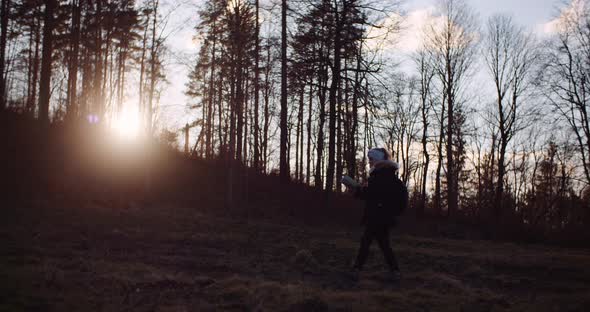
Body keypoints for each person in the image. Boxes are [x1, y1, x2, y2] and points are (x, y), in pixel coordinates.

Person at [341, 148, 408, 281]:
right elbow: (372, 195)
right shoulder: (384, 175)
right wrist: (358, 191)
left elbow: (373, 194)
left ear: (377, 160)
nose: (369, 162)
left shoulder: (381, 176)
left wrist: (357, 190)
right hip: (381, 216)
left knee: (367, 242)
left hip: (378, 216)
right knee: (382, 244)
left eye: (371, 159)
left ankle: (357, 270)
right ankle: (395, 271)